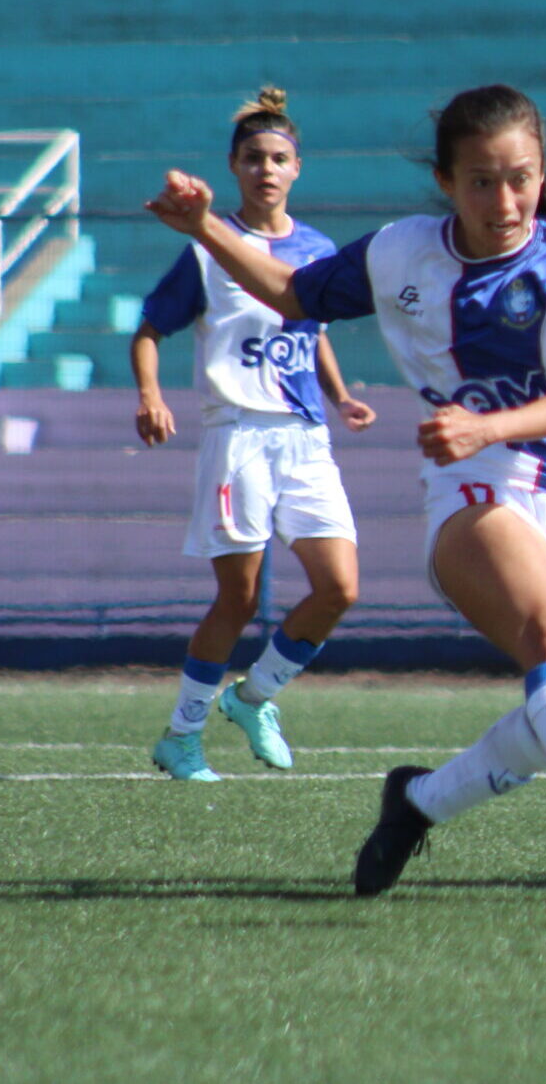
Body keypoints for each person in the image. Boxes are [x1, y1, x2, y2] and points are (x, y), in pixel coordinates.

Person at [146, 83, 546, 892]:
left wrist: (484, 423)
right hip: (472, 482)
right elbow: (295, 293)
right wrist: (204, 228)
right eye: (481, 180)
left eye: (522, 177)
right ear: (446, 181)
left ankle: (418, 802)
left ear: (543, 174)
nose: (505, 200)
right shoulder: (402, 251)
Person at [134, 88, 372, 782]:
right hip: (238, 434)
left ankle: (254, 696)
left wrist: (341, 394)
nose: (267, 169)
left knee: (340, 587)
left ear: (298, 168)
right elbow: (150, 328)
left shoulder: (317, 248)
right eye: (254, 158)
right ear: (234, 168)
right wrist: (150, 393)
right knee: (237, 597)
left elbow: (311, 326)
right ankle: (181, 736)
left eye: (279, 158)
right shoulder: (210, 249)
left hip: (305, 437)